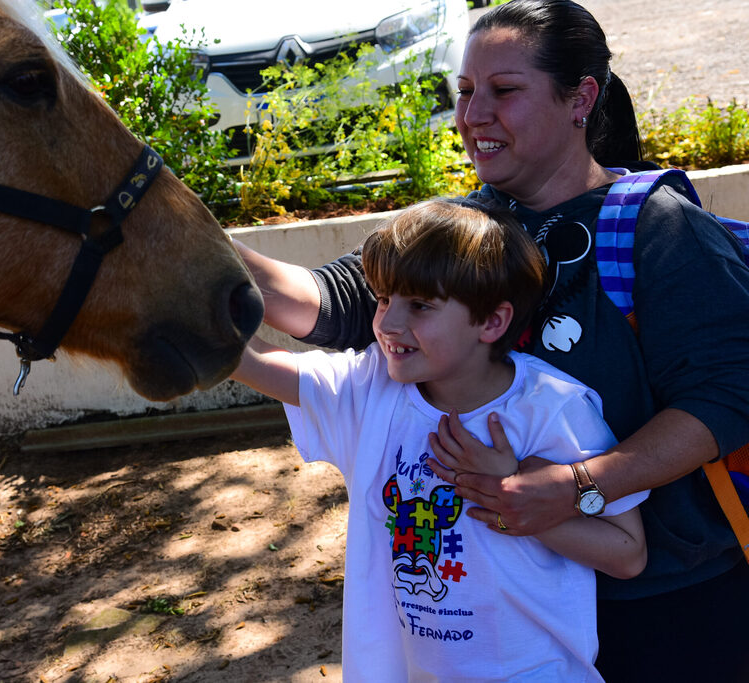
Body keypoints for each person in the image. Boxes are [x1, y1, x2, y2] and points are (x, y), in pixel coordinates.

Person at [234, 1, 749, 680]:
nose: (473, 114)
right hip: (513, 629)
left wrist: (575, 488)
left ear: (580, 99)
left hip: (667, 613)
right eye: (466, 91)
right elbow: (328, 303)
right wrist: (170, 233)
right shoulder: (456, 231)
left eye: (503, 91)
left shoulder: (661, 231)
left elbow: (726, 395)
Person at [232, 197, 648, 681]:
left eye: (420, 305)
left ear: (492, 321)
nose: (387, 324)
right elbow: (246, 359)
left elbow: (627, 554)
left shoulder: (552, 408)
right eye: (383, 299)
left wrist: (511, 498)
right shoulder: (369, 390)